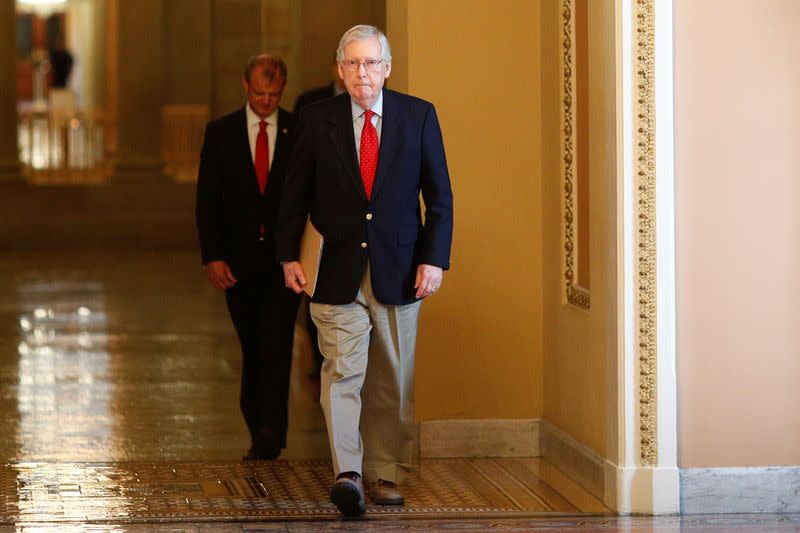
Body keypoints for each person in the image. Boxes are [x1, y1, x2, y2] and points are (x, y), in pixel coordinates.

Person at [276, 25, 453, 516]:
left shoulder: (418, 117)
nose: (362, 73)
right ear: (340, 70)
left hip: (399, 268)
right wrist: (289, 255)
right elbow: (293, 194)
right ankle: (348, 472)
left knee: (392, 380)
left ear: (387, 68)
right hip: (334, 269)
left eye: (371, 63)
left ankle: (384, 473)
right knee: (342, 373)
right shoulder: (316, 120)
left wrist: (434, 259)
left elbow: (439, 197)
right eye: (352, 64)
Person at [196, 54, 300, 461]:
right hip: (237, 262)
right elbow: (207, 200)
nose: (266, 101)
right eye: (259, 92)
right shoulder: (220, 133)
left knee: (277, 344)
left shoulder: (297, 130)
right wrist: (213, 256)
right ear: (245, 85)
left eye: (273, 94)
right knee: (252, 345)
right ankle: (256, 421)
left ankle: (269, 431)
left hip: (284, 262)